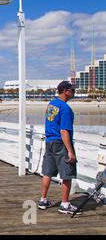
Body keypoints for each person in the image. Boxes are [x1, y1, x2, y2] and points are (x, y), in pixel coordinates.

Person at [39, 81, 79, 215]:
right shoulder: (65, 108)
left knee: (48, 172)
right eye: (72, 90)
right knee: (67, 173)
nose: (74, 92)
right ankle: (65, 204)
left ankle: (43, 200)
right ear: (66, 91)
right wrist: (70, 152)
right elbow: (64, 131)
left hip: (49, 141)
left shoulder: (51, 104)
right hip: (60, 143)